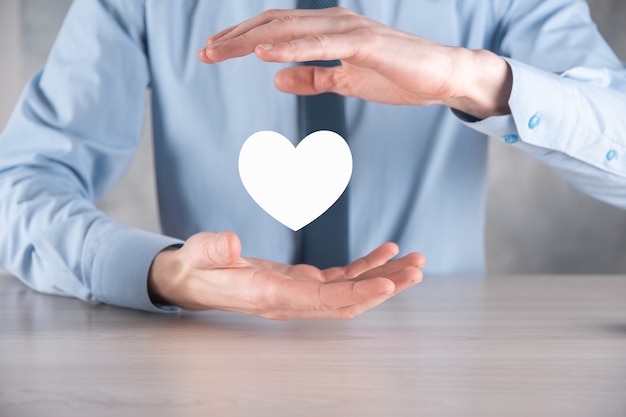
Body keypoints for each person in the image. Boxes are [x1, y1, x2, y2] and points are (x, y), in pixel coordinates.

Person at [0, 1, 624, 319]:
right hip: (210, 359)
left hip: (445, 361)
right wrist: (159, 274)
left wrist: (473, 79)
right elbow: (20, 185)